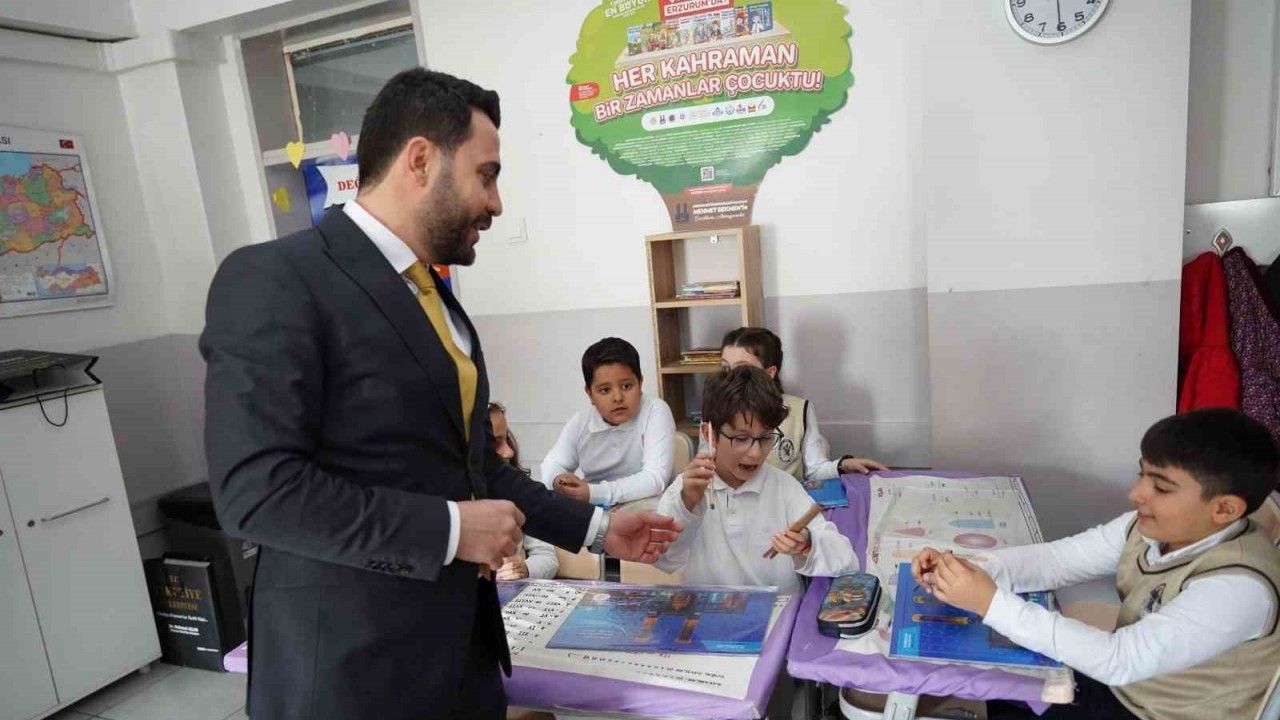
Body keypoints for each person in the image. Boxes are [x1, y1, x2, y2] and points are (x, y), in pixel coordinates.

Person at [201, 68, 679, 720]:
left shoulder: (437, 301)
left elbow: (474, 467)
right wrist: (450, 529)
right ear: (421, 160)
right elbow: (256, 491)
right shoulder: (276, 279)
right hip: (350, 673)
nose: (497, 203)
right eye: (486, 175)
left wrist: (597, 529)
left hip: (460, 657)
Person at [912, 408, 1280, 720]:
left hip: (1154, 710)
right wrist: (971, 569)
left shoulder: (1237, 589)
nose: (1136, 494)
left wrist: (988, 601)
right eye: (1142, 475)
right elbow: (1057, 561)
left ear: (1224, 509)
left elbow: (1119, 660)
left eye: (1162, 488)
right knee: (999, 680)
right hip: (1126, 686)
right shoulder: (1149, 528)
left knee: (1001, 671)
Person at [656, 365, 858, 595]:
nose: (755, 453)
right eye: (741, 438)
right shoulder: (686, 489)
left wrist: (808, 543)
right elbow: (664, 560)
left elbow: (846, 560)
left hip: (778, 613)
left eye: (765, 438)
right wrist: (687, 504)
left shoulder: (784, 487)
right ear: (708, 433)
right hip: (710, 613)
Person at [718, 327, 887, 482]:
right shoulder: (716, 409)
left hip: (787, 501)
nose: (730, 378)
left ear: (769, 373)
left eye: (742, 370)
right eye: (726, 368)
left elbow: (814, 470)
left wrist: (843, 466)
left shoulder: (799, 409)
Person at [541, 337, 677, 507]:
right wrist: (559, 481)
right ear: (589, 393)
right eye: (605, 390)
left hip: (649, 505)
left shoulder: (655, 411)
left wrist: (593, 493)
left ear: (640, 383)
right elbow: (552, 463)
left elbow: (655, 479)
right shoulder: (581, 422)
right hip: (597, 508)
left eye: (626, 386)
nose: (618, 398)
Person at [489, 402, 557, 580]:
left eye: (506, 440)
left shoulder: (521, 492)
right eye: (496, 442)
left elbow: (547, 558)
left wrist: (526, 568)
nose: (509, 452)